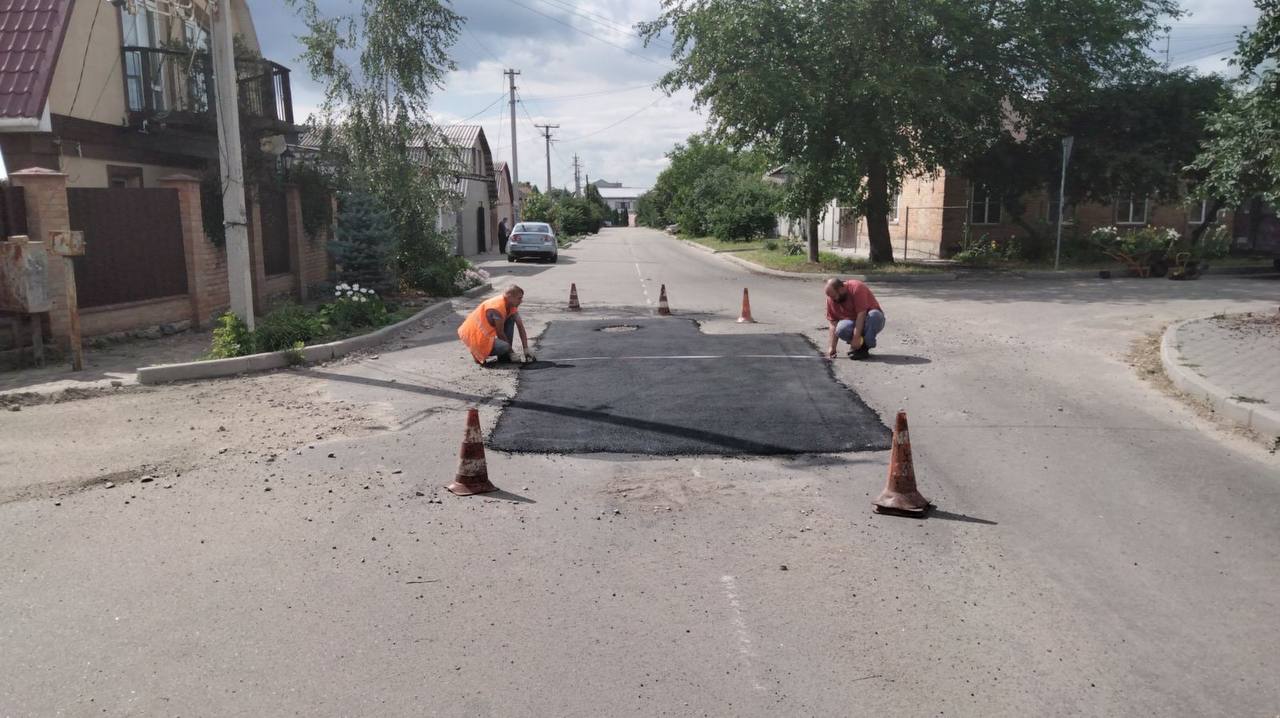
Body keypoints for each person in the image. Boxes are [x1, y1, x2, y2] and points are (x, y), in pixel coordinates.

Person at [458, 285, 535, 365]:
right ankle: (476, 352)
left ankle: (504, 357)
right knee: (504, 346)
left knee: (511, 319)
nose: (521, 301)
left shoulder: (510, 305)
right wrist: (512, 352)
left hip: (475, 334)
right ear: (510, 296)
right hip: (473, 336)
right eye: (519, 298)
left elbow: (520, 326)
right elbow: (500, 333)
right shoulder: (497, 308)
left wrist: (526, 349)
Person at [824, 277, 885, 360]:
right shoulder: (831, 299)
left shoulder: (857, 287)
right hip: (853, 323)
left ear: (841, 288)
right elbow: (833, 323)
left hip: (869, 319)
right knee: (841, 329)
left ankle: (865, 345)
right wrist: (832, 347)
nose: (833, 300)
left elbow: (861, 314)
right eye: (830, 297)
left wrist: (856, 337)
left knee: (874, 315)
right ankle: (859, 347)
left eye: (834, 296)